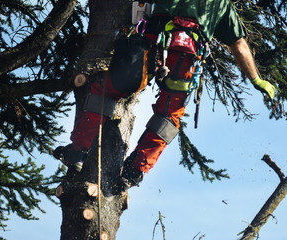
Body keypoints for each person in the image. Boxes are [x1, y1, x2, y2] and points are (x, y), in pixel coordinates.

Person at [53, 0, 275, 191]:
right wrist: (256, 79)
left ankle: (79, 151)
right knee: (169, 114)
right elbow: (239, 44)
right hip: (186, 56)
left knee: (107, 90)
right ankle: (134, 171)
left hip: (151, 42)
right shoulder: (221, 4)